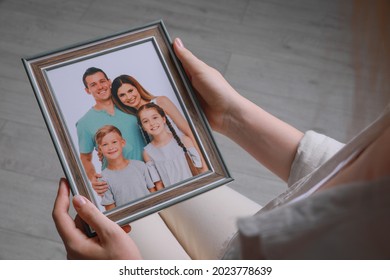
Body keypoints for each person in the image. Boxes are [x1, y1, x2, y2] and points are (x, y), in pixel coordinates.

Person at [53, 0, 390, 259]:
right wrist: (231, 114)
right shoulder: (98, 124)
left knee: (122, 222)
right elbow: (348, 172)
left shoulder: (156, 106)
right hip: (265, 235)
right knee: (138, 203)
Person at [111, 74, 208, 173]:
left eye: (130, 91)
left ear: (137, 88)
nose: (129, 97)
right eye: (122, 95)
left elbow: (188, 130)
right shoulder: (137, 120)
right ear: (118, 100)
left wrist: (203, 159)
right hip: (170, 166)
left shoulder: (161, 102)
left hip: (189, 156)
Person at [76, 67, 146, 196]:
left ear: (109, 82)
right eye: (93, 85)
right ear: (87, 90)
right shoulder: (84, 123)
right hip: (119, 185)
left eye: (102, 81)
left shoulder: (129, 104)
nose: (100, 87)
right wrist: (94, 179)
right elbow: (85, 158)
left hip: (150, 173)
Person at [94, 125, 160, 211]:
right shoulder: (103, 179)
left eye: (114, 142)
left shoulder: (140, 166)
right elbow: (111, 210)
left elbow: (153, 192)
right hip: (129, 222)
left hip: (153, 214)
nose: (110, 147)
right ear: (100, 149)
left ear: (122, 143)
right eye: (105, 144)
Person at [137, 103, 202, 187]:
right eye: (146, 121)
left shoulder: (184, 140)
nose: (152, 123)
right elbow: (158, 184)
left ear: (163, 119)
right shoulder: (147, 153)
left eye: (155, 117)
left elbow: (200, 169)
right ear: (143, 127)